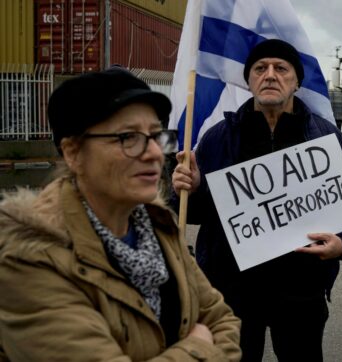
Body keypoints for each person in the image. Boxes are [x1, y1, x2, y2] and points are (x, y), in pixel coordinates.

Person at [0, 67, 242, 361]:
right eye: (128, 137)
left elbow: (223, 321)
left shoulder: (157, 224)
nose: (154, 153)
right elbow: (212, 334)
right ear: (72, 152)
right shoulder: (30, 259)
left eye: (156, 136)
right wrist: (200, 345)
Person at [171, 39, 342, 361]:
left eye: (281, 68)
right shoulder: (219, 136)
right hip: (232, 290)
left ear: (297, 81)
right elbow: (196, 214)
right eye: (260, 69)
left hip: (302, 290)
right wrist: (191, 189)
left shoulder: (323, 136)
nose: (270, 75)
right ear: (249, 81)